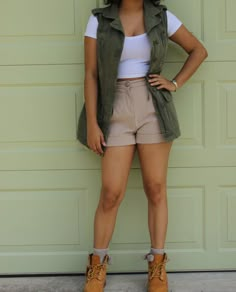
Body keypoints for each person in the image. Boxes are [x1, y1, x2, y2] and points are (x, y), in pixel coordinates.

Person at [77, 0, 208, 291]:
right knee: (111, 192)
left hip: (153, 108)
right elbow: (90, 74)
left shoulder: (161, 17)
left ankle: (157, 265)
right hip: (113, 108)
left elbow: (198, 51)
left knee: (156, 187)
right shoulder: (99, 20)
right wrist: (92, 124)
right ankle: (97, 265)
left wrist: (174, 83)